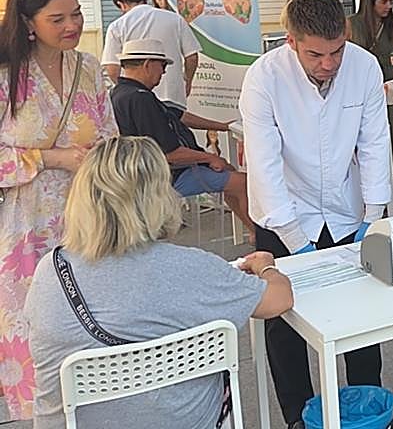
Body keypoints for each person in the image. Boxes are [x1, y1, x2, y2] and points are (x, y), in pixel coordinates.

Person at [25, 135, 293, 429]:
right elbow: (279, 300)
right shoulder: (191, 268)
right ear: (158, 196)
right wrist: (266, 267)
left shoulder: (49, 272)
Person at [240, 0, 392, 429]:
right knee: (284, 324)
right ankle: (298, 417)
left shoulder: (363, 66)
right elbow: (264, 164)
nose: (328, 64)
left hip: (347, 211)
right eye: (315, 55)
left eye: (336, 51)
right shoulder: (264, 78)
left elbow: (375, 142)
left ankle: (366, 409)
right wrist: (294, 240)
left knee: (362, 316)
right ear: (291, 42)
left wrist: (374, 214)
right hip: (285, 211)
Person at [0, 0, 116, 421]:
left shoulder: (88, 67)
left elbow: (109, 131)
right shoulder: (7, 75)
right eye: (57, 18)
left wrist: (103, 158)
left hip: (91, 217)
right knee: (36, 324)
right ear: (29, 23)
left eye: (77, 14)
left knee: (94, 317)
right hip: (26, 227)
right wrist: (51, 158)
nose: (72, 26)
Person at [109, 38, 253, 229]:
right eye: (162, 66)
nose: (164, 72)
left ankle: (252, 232)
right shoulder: (140, 99)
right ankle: (260, 236)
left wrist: (222, 126)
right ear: (148, 64)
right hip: (166, 176)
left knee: (229, 176)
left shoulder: (122, 92)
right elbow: (170, 153)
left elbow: (178, 115)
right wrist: (210, 157)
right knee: (242, 183)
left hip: (152, 173)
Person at [100, 0, 228, 134]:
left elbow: (112, 68)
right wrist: (187, 81)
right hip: (172, 93)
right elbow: (192, 57)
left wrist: (127, 89)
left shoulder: (117, 26)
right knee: (176, 137)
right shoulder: (175, 19)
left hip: (137, 103)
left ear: (121, 4)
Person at [347, 0, 393, 172]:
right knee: (361, 125)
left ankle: (392, 168)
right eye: (383, 2)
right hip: (358, 80)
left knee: (388, 123)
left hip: (385, 79)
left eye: (390, 1)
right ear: (370, 3)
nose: (388, 6)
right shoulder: (352, 24)